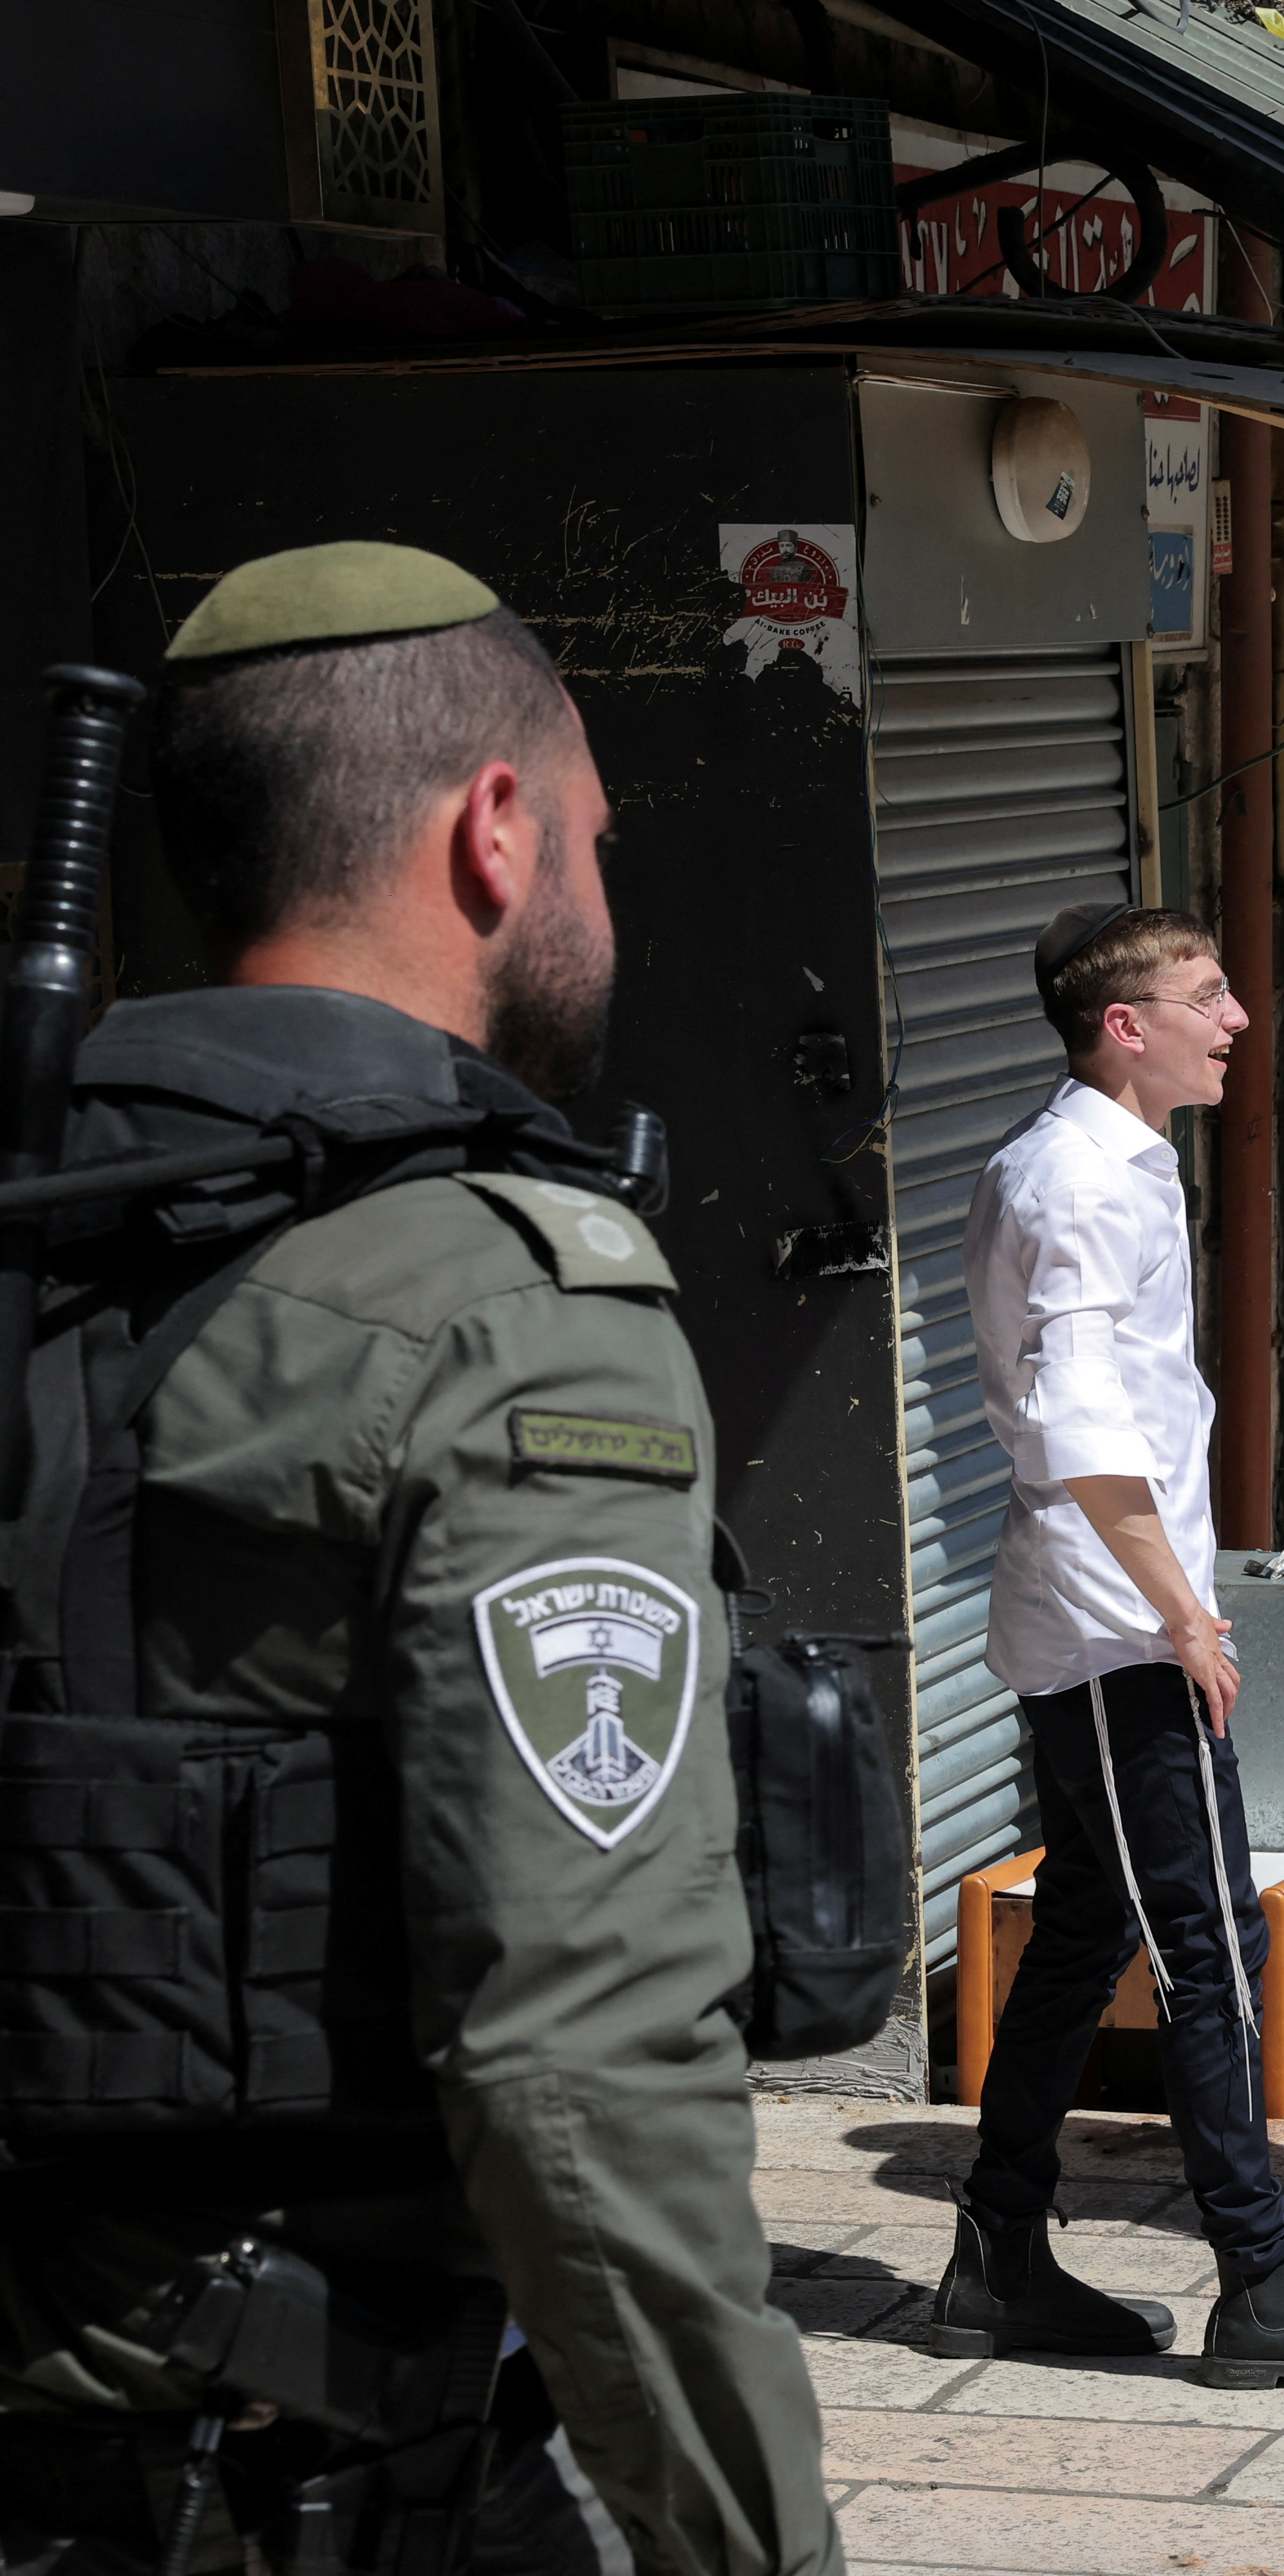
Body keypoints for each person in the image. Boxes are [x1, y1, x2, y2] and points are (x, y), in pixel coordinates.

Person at [0, 544, 839, 2569]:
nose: (604, 902)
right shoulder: (504, 1299)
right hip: (301, 2478)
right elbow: (582, 2063)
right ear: (493, 832)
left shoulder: (51, 1218)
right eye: (597, 845)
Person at [946, 902, 1284, 2391]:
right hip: (1114, 1623)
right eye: (1206, 995)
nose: (1237, 1018)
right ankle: (1260, 2281)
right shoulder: (1076, 1181)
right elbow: (1083, 1428)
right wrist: (1180, 1612)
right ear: (1126, 1025)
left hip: (1120, 1602)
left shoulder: (1114, 1160)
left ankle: (997, 2258)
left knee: (1094, 1928)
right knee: (1208, 1939)